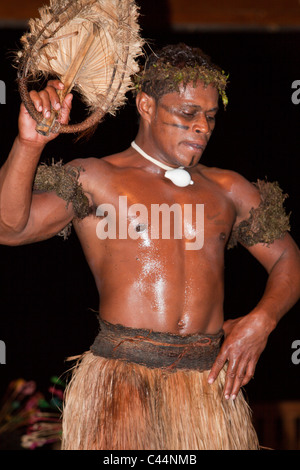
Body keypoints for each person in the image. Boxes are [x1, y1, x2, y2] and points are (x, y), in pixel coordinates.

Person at [0, 43, 299, 450]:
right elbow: (10, 228)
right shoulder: (96, 177)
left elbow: (287, 256)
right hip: (120, 386)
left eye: (210, 117)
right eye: (188, 113)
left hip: (205, 385)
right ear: (146, 105)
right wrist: (30, 145)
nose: (203, 128)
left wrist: (261, 321)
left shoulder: (228, 189)